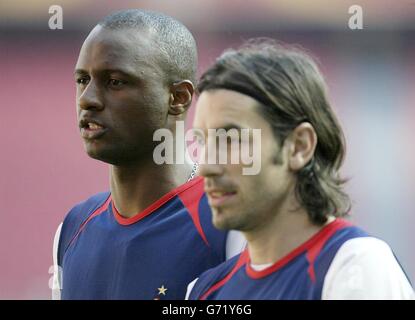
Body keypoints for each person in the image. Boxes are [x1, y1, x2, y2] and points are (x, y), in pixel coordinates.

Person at [187, 40, 414, 300]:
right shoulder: (202, 291)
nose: (205, 166)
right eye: (202, 142)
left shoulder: (354, 266)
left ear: (299, 146)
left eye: (231, 139)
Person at [51, 9, 244, 300]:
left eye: (115, 81)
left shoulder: (231, 224)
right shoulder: (72, 229)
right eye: (82, 80)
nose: (87, 99)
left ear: (178, 97)